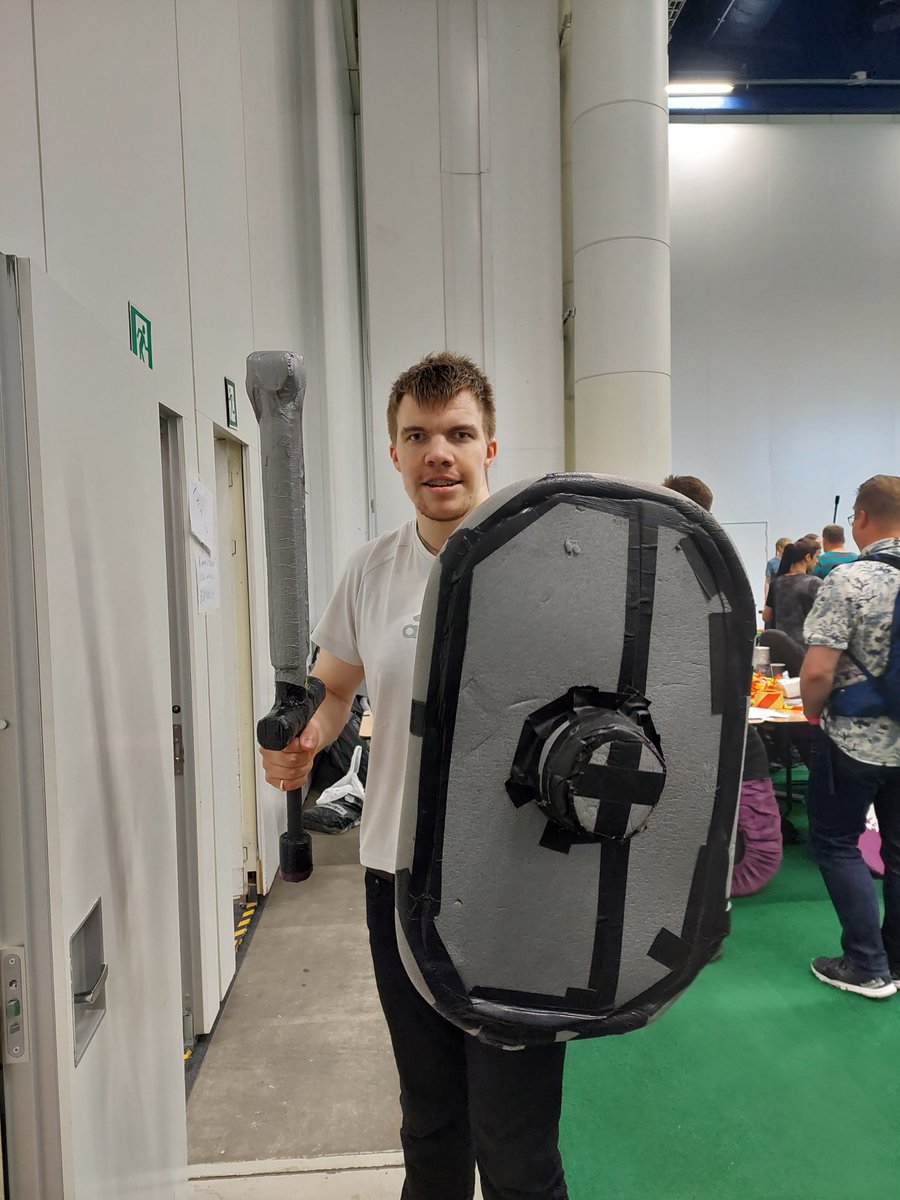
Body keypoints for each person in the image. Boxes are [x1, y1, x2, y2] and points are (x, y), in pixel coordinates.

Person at [258, 351, 569, 1200]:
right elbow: (332, 690)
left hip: (518, 887)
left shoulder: (549, 565)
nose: (440, 452)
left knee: (514, 1146)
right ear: (393, 454)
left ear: (491, 450)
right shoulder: (372, 569)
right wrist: (301, 736)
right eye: (418, 435)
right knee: (431, 1124)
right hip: (398, 878)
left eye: (459, 433)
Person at [800, 474, 900, 999]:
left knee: (837, 842)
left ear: (860, 517)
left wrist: (813, 717)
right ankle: (897, 958)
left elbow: (817, 672)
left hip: (855, 742)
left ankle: (866, 964)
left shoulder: (849, 581)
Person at [762, 539, 821, 651]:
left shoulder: (776, 583)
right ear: (808, 557)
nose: (817, 561)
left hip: (781, 647)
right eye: (817, 556)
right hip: (805, 647)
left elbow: (766, 616)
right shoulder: (814, 583)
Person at [764, 536, 790, 602]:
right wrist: (766, 598)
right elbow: (767, 581)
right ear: (780, 548)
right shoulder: (772, 563)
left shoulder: (792, 562)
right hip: (776, 593)